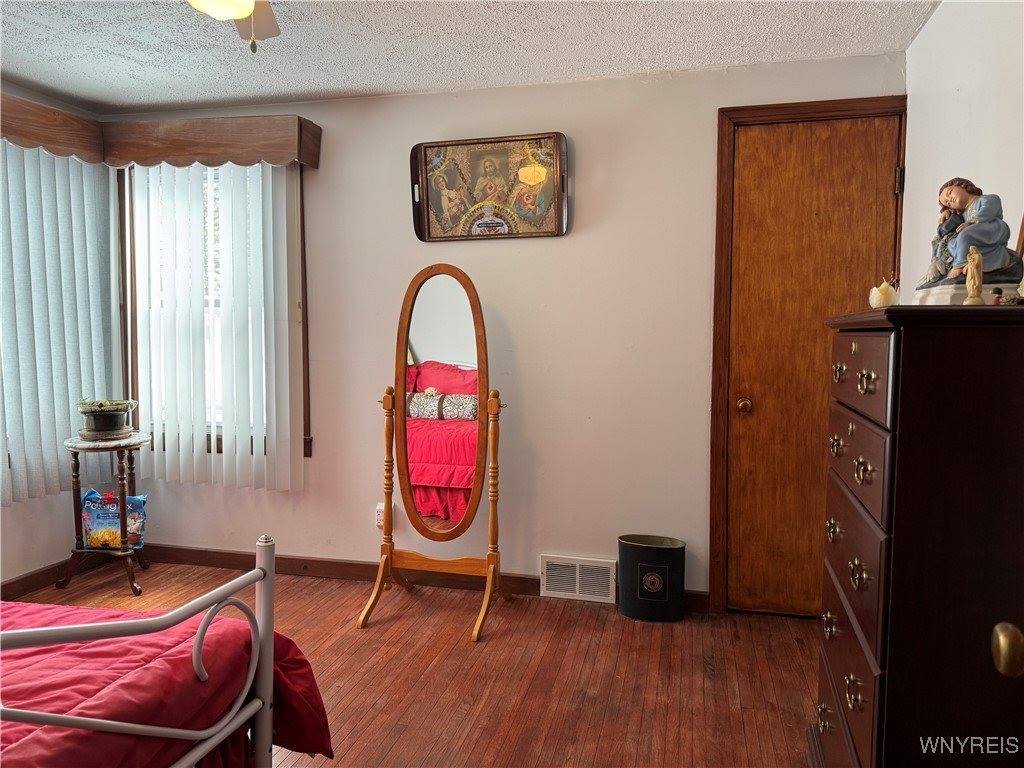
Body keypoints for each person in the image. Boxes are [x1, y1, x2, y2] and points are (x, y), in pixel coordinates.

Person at [936, 178, 1016, 279]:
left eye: (950, 193)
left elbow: (989, 210)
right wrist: (947, 212)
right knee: (951, 243)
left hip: (993, 228)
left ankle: (960, 265)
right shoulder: (964, 213)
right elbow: (953, 223)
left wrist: (972, 222)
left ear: (962, 185)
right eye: (948, 203)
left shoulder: (986, 199)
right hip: (976, 234)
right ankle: (973, 262)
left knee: (965, 234)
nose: (950, 200)